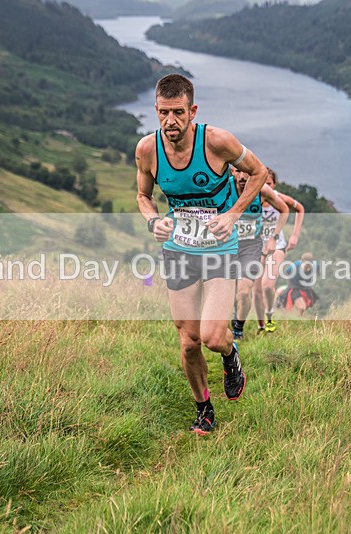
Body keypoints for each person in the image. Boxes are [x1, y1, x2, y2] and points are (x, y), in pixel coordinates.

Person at [135, 73, 270, 436]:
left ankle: (230, 356)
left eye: (178, 112)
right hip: (178, 249)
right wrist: (153, 222)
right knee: (189, 340)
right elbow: (143, 197)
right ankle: (204, 408)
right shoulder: (147, 149)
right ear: (156, 110)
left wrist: (232, 214)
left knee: (212, 336)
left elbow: (257, 172)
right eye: (163, 113)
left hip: (219, 249)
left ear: (192, 110)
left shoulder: (217, 142)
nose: (170, 121)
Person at [230, 167, 288, 340]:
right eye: (238, 172)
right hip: (228, 244)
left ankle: (238, 327)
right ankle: (235, 315)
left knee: (244, 289)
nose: (242, 177)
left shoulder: (261, 190)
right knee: (231, 289)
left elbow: (284, 209)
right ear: (232, 171)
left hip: (252, 246)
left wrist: (274, 237)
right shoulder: (224, 188)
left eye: (246, 172)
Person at [253, 168, 305, 333]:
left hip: (277, 245)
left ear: (274, 184)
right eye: (263, 183)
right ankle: (262, 325)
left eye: (269, 183)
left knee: (268, 286)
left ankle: (269, 314)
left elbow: (300, 209)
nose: (266, 187)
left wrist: (295, 235)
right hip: (255, 246)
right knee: (256, 290)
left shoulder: (280, 198)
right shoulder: (253, 198)